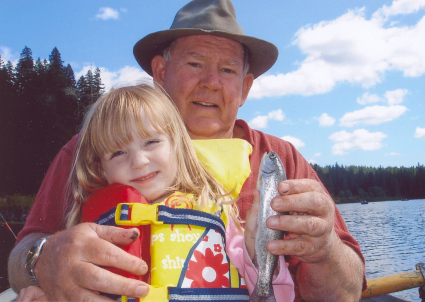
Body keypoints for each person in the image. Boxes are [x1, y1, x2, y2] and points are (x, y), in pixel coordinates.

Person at [8, 0, 366, 301]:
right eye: (195, 64)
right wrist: (43, 260)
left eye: (227, 70)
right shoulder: (96, 147)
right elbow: (19, 257)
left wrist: (324, 250)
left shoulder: (279, 159)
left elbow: (348, 290)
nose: (211, 82)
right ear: (161, 72)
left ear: (244, 87)